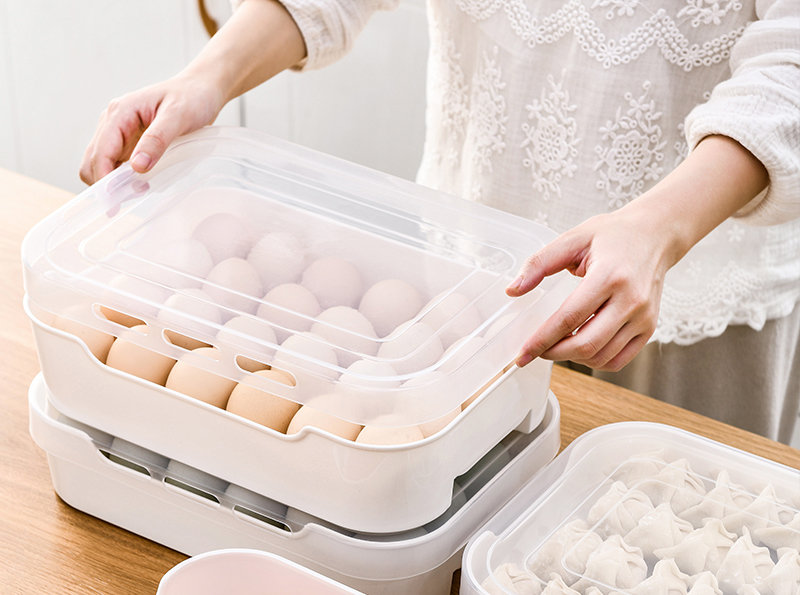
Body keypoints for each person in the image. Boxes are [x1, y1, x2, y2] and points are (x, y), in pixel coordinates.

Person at [80, 0, 800, 444]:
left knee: (679, 578)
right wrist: (208, 76)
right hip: (479, 270)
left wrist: (659, 229)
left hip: (689, 283)